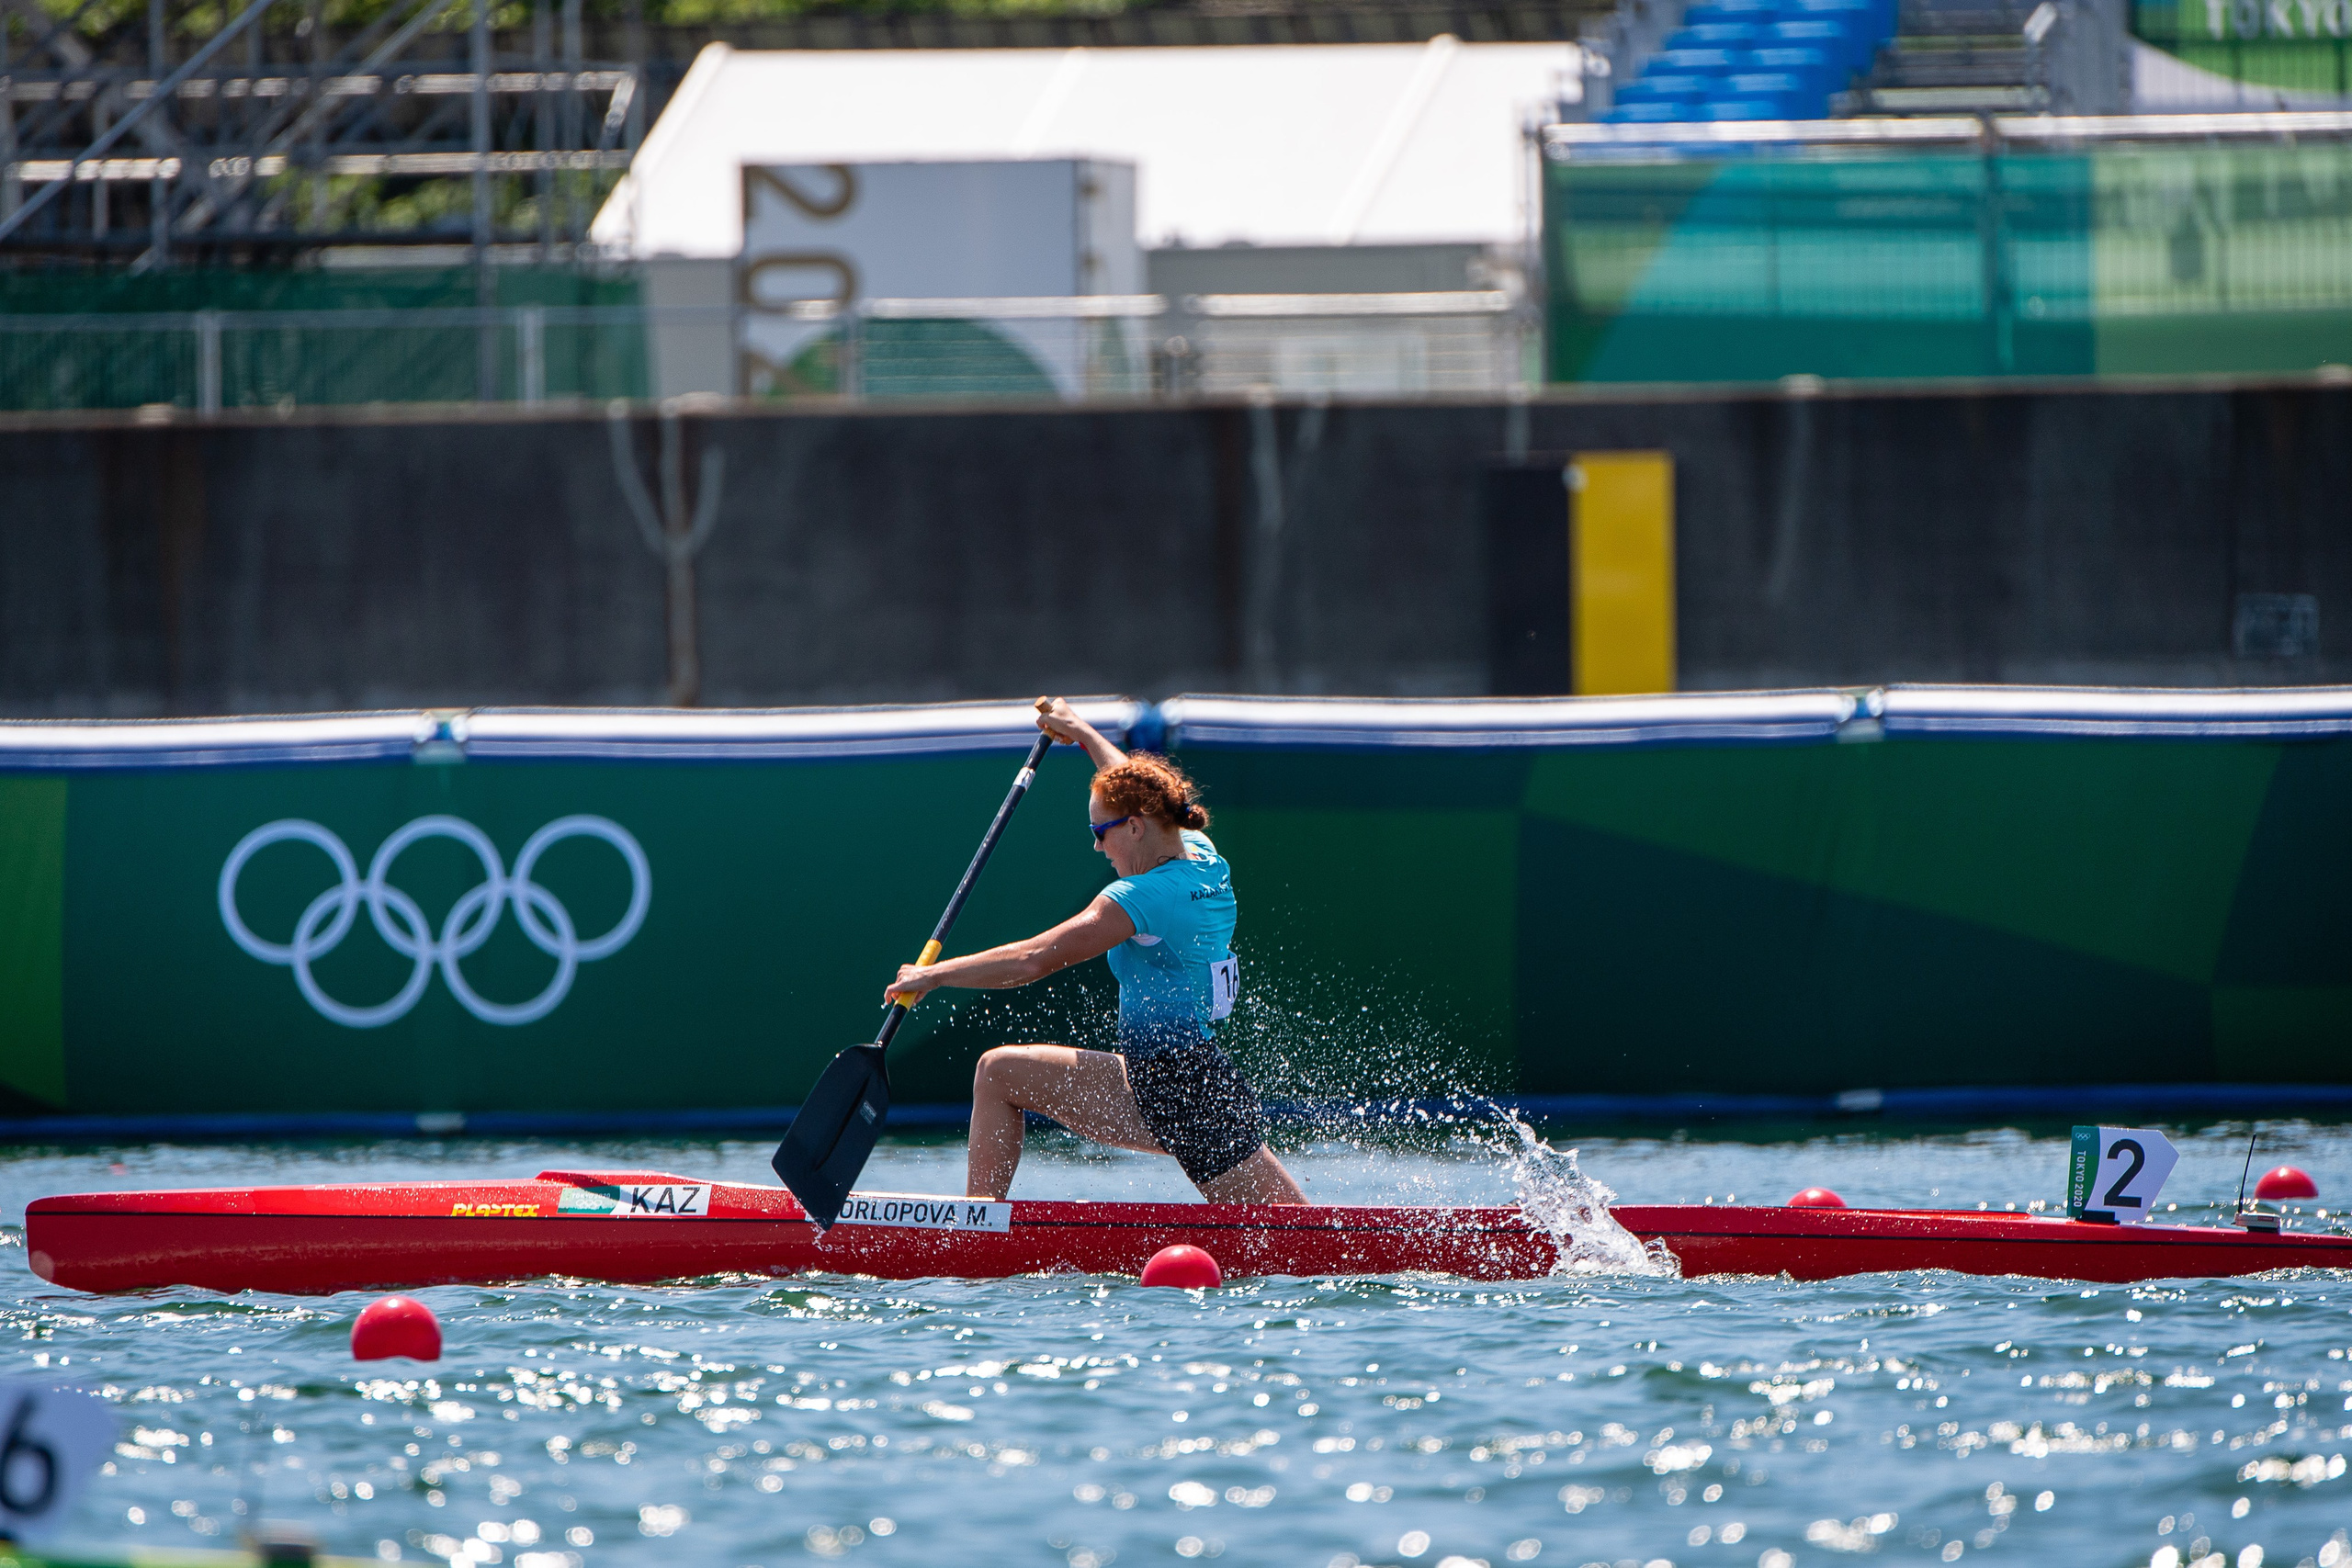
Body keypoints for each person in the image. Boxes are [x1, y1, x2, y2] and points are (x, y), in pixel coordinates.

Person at [882, 697, 1307, 1206]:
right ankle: (980, 1227)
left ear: (1133, 827)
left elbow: (1032, 959)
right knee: (998, 1073)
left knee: (1291, 1238)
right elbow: (1134, 784)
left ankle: (979, 1236)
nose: (1097, 848)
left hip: (1185, 1095)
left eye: (1098, 832)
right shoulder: (1199, 852)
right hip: (1166, 1079)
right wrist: (1081, 732)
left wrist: (934, 975)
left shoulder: (1141, 898)